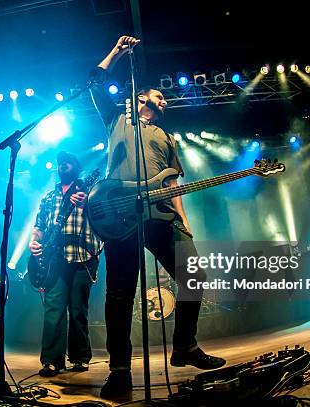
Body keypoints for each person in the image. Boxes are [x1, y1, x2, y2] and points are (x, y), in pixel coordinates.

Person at [90, 36, 226, 398]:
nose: (164, 100)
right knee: (120, 294)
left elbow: (174, 184)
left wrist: (183, 221)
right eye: (158, 96)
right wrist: (117, 52)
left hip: (163, 215)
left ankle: (184, 346)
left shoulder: (168, 137)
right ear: (140, 98)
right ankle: (119, 371)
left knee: (194, 274)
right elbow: (94, 83)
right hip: (120, 214)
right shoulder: (116, 119)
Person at [29, 151, 102, 377]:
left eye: (68, 162)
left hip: (83, 256)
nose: (63, 166)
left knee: (79, 309)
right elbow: (39, 226)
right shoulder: (50, 197)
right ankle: (51, 361)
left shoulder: (91, 192)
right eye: (61, 163)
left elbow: (104, 218)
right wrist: (33, 241)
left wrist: (86, 203)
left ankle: (80, 358)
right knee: (53, 309)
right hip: (55, 261)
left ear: (77, 168)